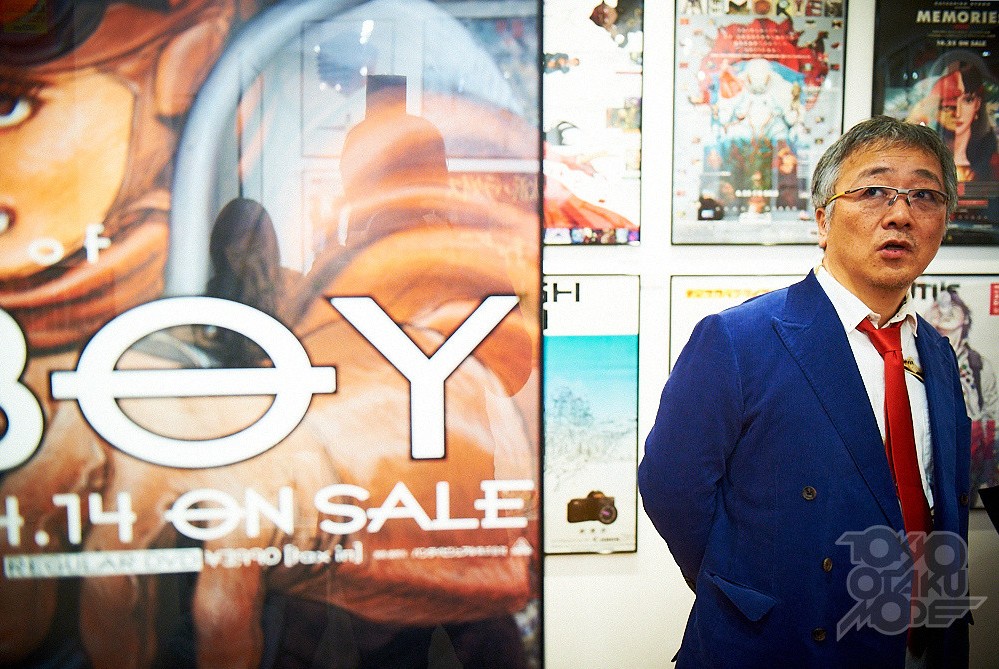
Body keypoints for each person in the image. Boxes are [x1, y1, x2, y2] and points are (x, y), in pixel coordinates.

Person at [640, 115, 972, 668]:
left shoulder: (935, 351)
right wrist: (743, 591)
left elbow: (939, 503)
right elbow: (670, 488)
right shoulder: (739, 338)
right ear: (823, 218)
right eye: (873, 191)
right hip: (783, 644)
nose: (900, 214)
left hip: (918, 639)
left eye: (925, 195)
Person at [926, 289, 999, 507]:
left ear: (965, 318)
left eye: (953, 306)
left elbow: (993, 416)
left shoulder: (979, 366)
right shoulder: (916, 357)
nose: (945, 310)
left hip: (971, 460)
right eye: (938, 308)